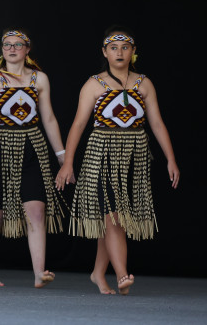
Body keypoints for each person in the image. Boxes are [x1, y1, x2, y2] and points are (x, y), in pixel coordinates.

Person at [56, 27, 179, 295]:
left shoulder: (144, 84)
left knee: (113, 219)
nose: (119, 52)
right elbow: (78, 125)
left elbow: (157, 123)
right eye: (113, 48)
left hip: (134, 158)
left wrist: (171, 159)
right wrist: (68, 162)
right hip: (101, 157)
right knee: (114, 218)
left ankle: (98, 273)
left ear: (133, 51)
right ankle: (123, 275)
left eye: (125, 47)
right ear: (105, 52)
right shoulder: (94, 84)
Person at [0, 29, 66, 288]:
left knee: (36, 210)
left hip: (32, 146)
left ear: (27, 49)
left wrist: (63, 156)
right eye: (7, 45)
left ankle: (39, 272)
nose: (12, 49)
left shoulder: (39, 79)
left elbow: (49, 118)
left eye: (18, 45)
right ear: (2, 49)